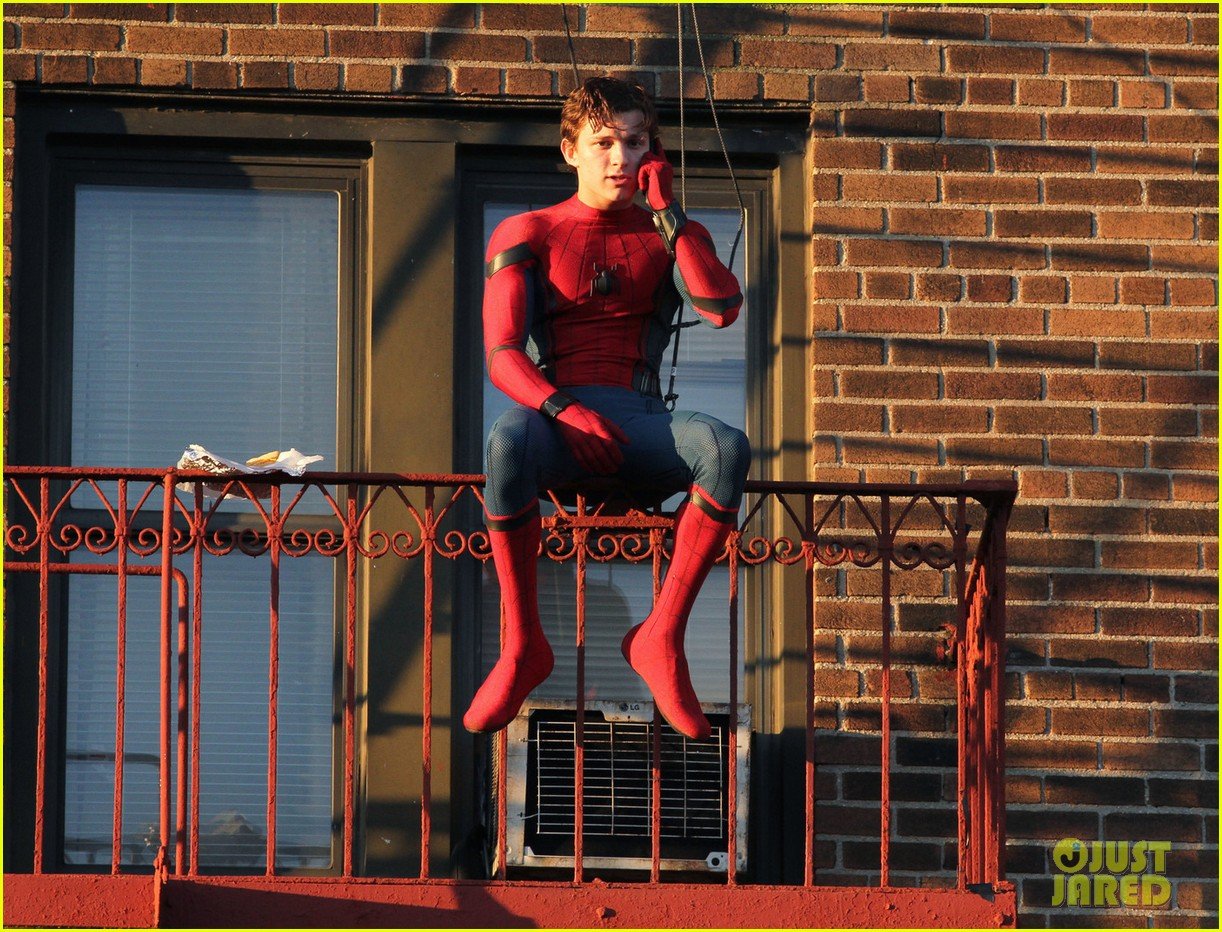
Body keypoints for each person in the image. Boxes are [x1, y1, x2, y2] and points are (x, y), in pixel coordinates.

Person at [464, 76, 750, 740]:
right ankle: (523, 645)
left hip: (642, 420)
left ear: (653, 151)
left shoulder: (673, 231)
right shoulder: (528, 230)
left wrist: (669, 214)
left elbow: (720, 308)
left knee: (726, 446)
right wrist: (561, 408)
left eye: (634, 142)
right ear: (570, 150)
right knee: (505, 441)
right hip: (557, 418)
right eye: (603, 143)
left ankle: (661, 637)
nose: (619, 159)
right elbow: (502, 353)